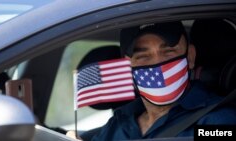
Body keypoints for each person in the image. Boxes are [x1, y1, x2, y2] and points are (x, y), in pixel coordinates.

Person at [90, 21, 236, 140]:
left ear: (190, 56)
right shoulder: (119, 122)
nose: (158, 64)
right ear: (127, 67)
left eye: (168, 51)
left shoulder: (217, 120)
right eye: (143, 56)